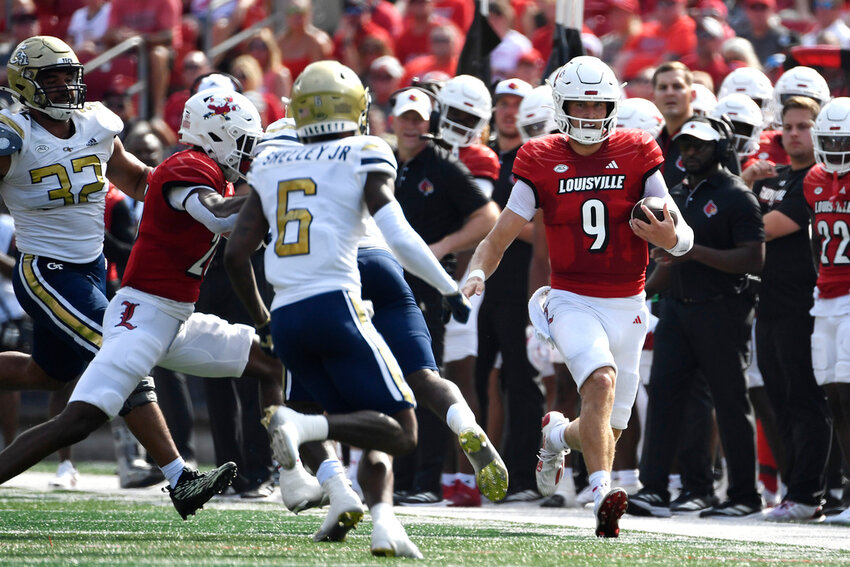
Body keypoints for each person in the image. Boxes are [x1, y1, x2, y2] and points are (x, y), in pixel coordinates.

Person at [225, 60, 463, 558]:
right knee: (401, 430)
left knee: (364, 417)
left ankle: (383, 522)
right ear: (356, 108)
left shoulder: (271, 160)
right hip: (337, 305)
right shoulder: (365, 149)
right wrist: (447, 286)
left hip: (287, 315)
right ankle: (301, 425)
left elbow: (235, 253)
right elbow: (397, 234)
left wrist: (262, 319)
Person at [0, 35, 236, 517]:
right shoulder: (12, 134)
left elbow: (134, 178)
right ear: (26, 83)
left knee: (44, 374)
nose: (66, 85)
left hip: (90, 268)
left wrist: (185, 191)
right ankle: (179, 477)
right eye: (52, 77)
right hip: (46, 270)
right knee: (120, 354)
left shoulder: (96, 123)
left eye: (69, 74)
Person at [461, 56, 694, 537]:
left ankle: (555, 434)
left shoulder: (637, 148)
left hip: (629, 300)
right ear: (561, 107)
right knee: (601, 384)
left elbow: (683, 237)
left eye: (599, 107)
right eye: (579, 107)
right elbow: (501, 234)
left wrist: (669, 239)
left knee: (607, 425)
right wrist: (478, 270)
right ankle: (602, 495)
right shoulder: (540, 156)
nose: (589, 117)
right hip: (569, 297)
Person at [629, 115, 765, 519]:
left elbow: (753, 258)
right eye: (685, 146)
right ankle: (655, 489)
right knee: (664, 401)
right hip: (676, 309)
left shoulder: (737, 195)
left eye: (699, 146)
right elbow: (669, 263)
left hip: (722, 310)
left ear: (720, 149)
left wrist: (692, 252)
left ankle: (742, 494)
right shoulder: (674, 194)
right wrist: (640, 294)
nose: (689, 153)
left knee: (729, 402)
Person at [753, 96, 831, 522]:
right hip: (767, 301)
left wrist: (747, 213)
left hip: (804, 301)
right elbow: (748, 217)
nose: (796, 133)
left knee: (806, 398)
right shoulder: (775, 176)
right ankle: (792, 490)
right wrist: (748, 181)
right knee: (778, 397)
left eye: (804, 126)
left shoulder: (819, 179)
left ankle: (809, 493)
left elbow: (766, 226)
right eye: (790, 126)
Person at [805, 96, 850, 525]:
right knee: (834, 395)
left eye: (845, 143)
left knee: (849, 392)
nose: (836, 151)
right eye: (830, 142)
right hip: (826, 295)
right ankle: (844, 489)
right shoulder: (814, 179)